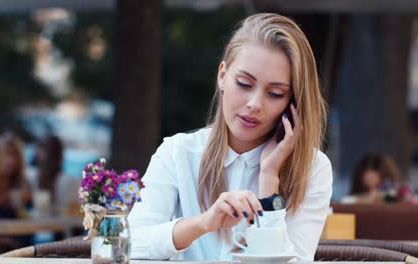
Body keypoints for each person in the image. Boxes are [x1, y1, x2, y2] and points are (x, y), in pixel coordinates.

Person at [128, 13, 332, 261]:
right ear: (223, 75)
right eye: (244, 84)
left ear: (293, 103)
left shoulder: (312, 168)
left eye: (276, 93)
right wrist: (203, 223)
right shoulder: (177, 152)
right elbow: (129, 244)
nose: (254, 104)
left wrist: (269, 184)